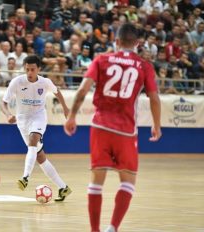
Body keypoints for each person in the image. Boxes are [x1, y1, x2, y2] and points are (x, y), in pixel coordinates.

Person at [64, 23, 162, 232]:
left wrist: (71, 116)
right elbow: (154, 98)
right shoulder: (144, 66)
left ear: (116, 42)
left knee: (96, 180)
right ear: (137, 43)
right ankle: (113, 228)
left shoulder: (101, 59)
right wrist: (156, 124)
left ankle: (94, 230)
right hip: (126, 131)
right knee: (127, 180)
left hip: (100, 127)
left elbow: (82, 91)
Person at [0, 55, 72, 201]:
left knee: (33, 140)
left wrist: (65, 108)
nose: (30, 73)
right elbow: (4, 102)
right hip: (22, 121)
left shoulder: (45, 82)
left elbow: (57, 92)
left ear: (39, 69)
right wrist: (8, 114)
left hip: (39, 117)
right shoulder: (17, 82)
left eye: (32, 69)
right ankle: (63, 188)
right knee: (40, 157)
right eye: (27, 69)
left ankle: (25, 177)